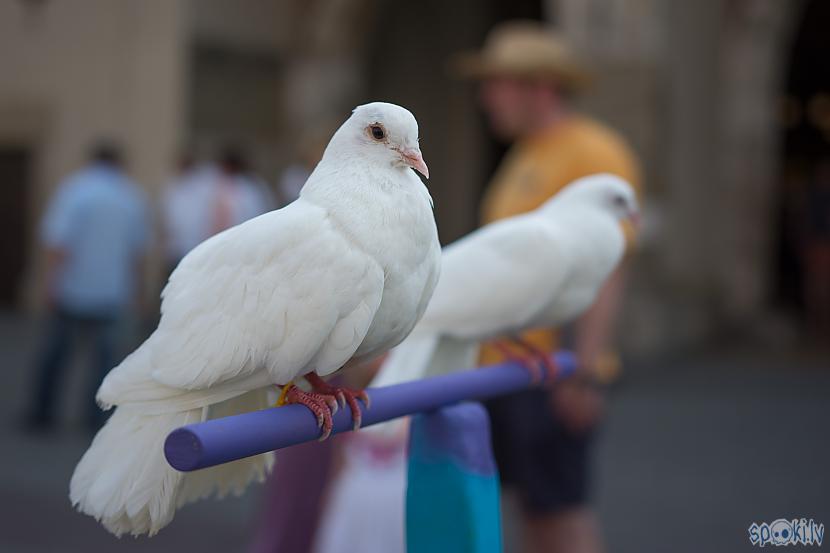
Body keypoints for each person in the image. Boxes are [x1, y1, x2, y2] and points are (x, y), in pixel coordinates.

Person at [454, 21, 642, 553]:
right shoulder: (527, 154)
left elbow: (611, 266)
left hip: (547, 375)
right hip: (508, 370)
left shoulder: (594, 151)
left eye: (497, 82)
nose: (486, 96)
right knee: (534, 517)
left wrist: (581, 372)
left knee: (560, 518)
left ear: (539, 86)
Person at [25, 142, 150, 432]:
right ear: (119, 162)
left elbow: (58, 242)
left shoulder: (74, 190)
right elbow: (138, 253)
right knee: (105, 360)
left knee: (56, 354)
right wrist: (137, 292)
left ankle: (43, 413)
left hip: (73, 288)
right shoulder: (131, 195)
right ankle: (95, 419)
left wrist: (49, 284)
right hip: (112, 292)